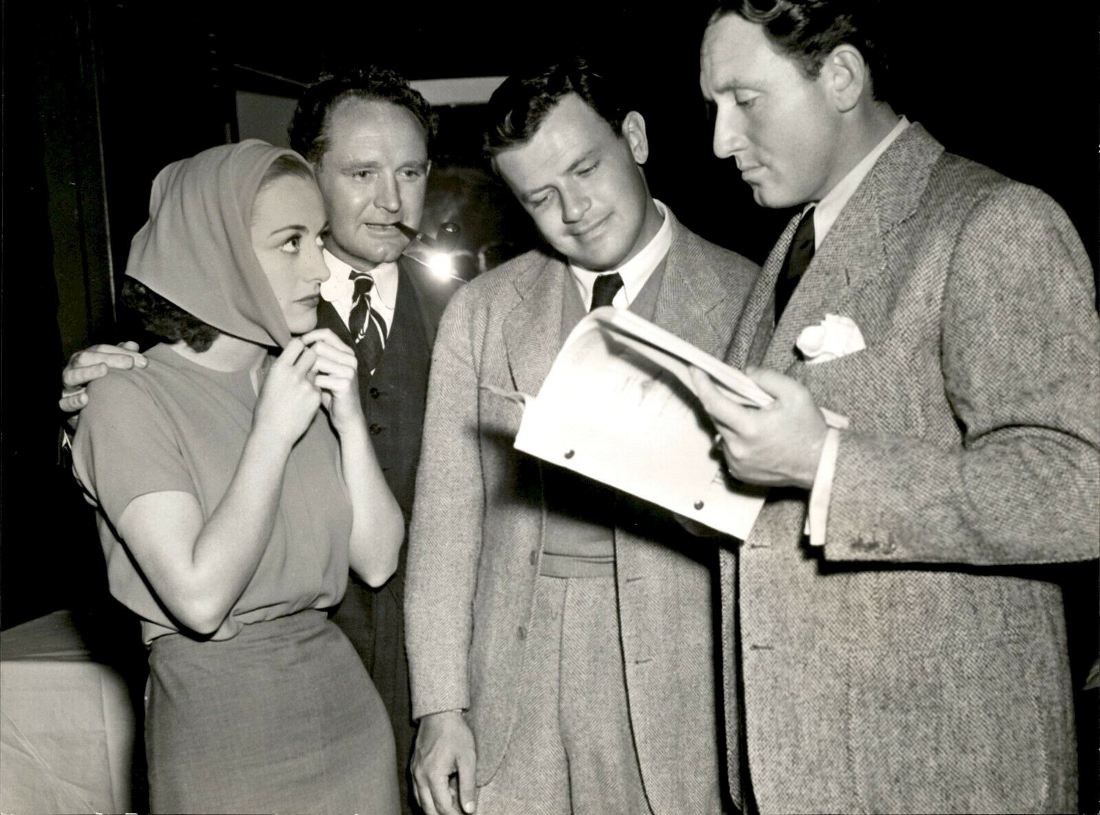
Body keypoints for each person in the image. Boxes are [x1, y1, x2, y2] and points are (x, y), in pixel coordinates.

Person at [690, 2, 1100, 812]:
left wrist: (826, 464)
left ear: (840, 76)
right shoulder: (793, 243)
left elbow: (1077, 484)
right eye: (712, 107)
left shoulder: (993, 220)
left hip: (945, 775)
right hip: (808, 771)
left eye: (744, 100)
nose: (720, 140)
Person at [60, 67, 459, 813]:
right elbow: (202, 599)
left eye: (410, 171)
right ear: (220, 256)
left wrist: (340, 421)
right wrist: (275, 430)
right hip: (223, 731)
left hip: (349, 719)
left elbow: (375, 557)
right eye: (290, 243)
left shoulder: (294, 373)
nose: (317, 265)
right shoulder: (123, 391)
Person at [404, 58, 759, 815]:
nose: (574, 209)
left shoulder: (748, 299)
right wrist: (440, 707)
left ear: (634, 137)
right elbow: (444, 525)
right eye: (541, 197)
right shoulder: (482, 311)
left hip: (683, 688)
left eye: (585, 168)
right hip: (513, 683)